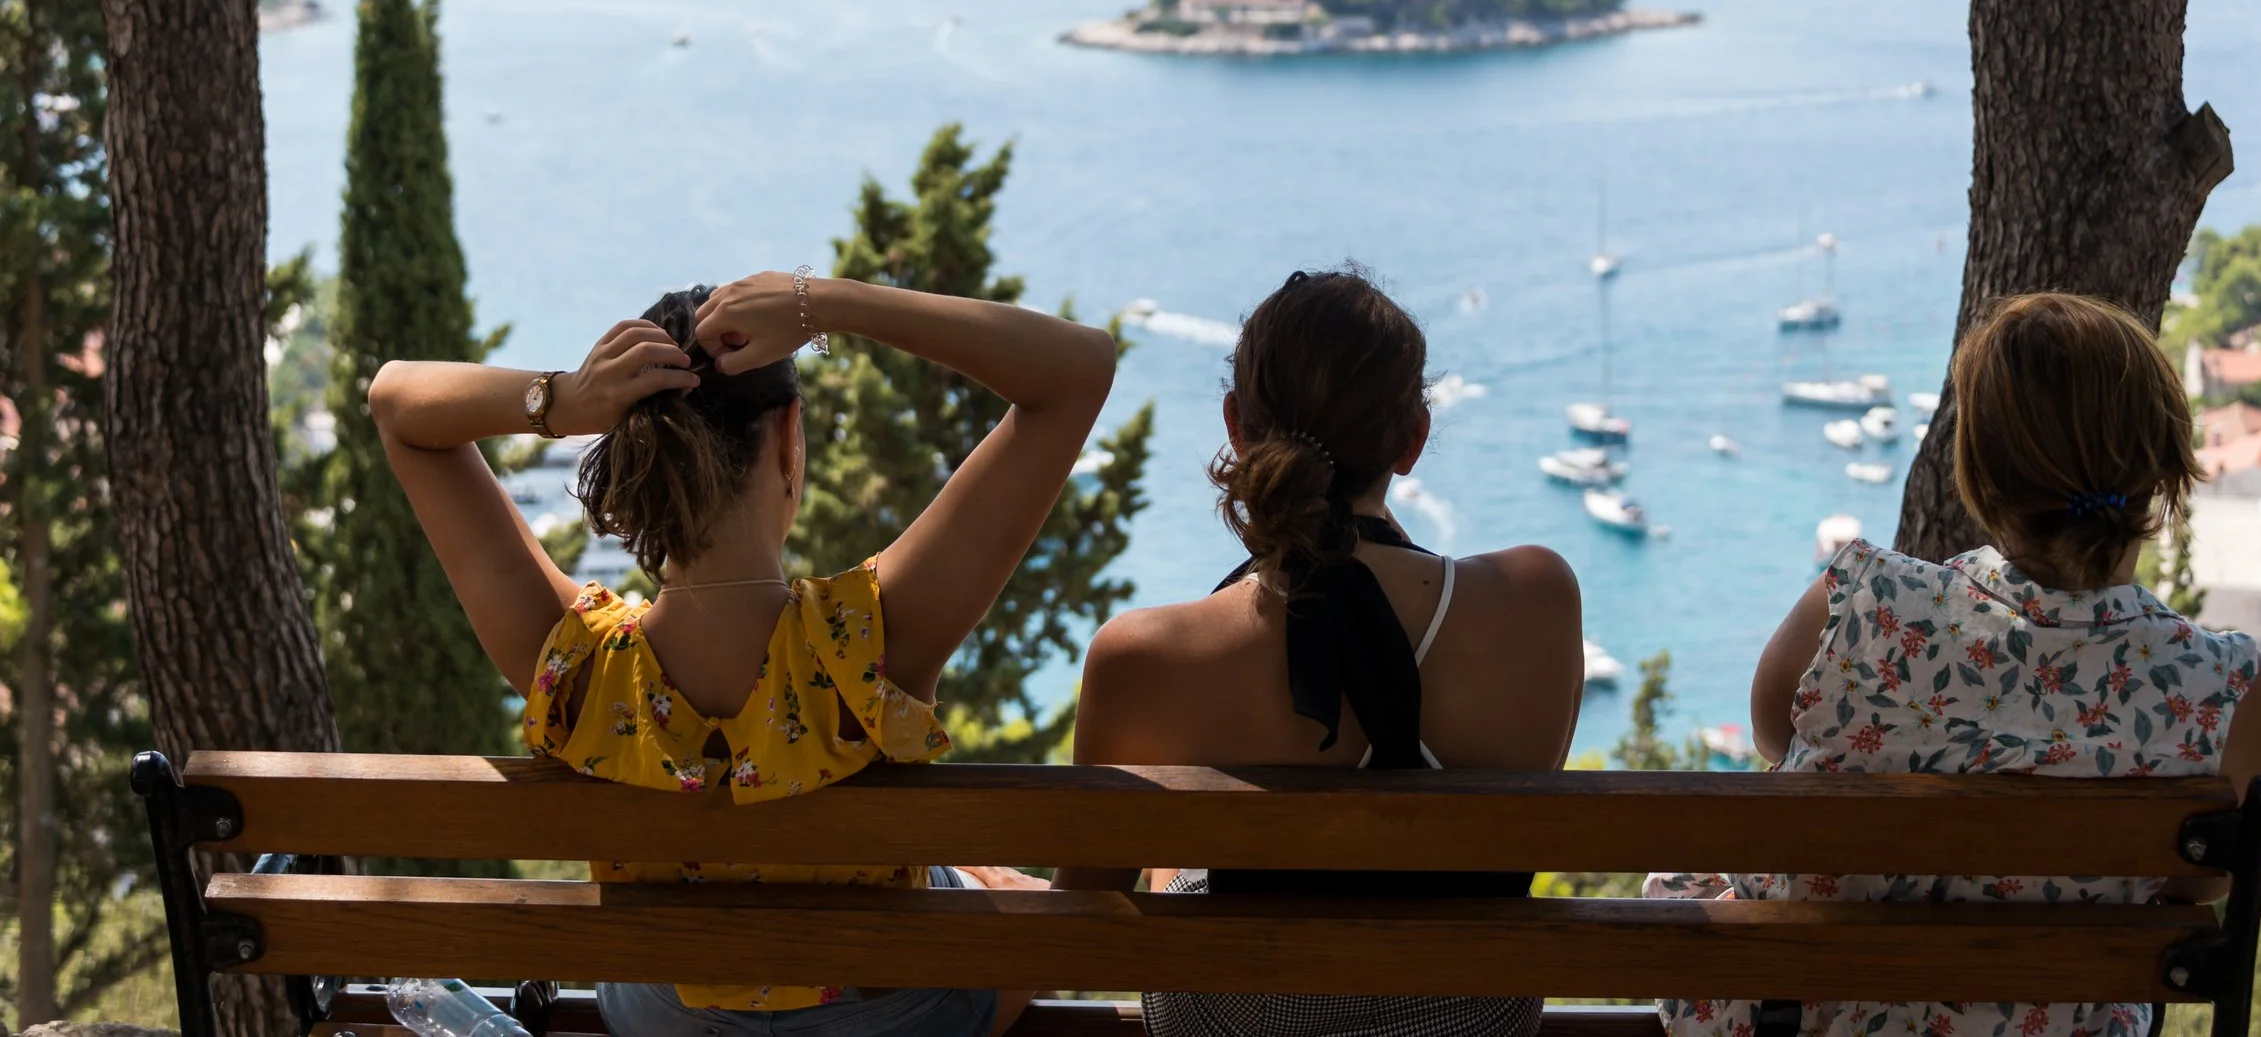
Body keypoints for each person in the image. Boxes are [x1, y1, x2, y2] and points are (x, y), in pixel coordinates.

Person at [368, 270, 1117, 1037]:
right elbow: (1078, 369)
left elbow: (396, 401)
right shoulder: (871, 638)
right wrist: (826, 303)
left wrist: (561, 399)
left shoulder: (575, 663)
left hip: (666, 1019)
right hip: (891, 1015)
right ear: (789, 438)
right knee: (1015, 898)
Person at [1647, 291, 2261, 1037]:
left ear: (1979, 473)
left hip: (1809, 1018)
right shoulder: (2223, 688)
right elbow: (2203, 881)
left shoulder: (1858, 599)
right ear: (2162, 472)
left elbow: (1768, 731)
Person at [1056, 267, 1584, 1037]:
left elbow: (1082, 910)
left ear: (1236, 424)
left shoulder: (1143, 657)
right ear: (1413, 439)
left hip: (1237, 1019)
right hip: (1471, 1011)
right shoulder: (1539, 597)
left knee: (1176, 865)